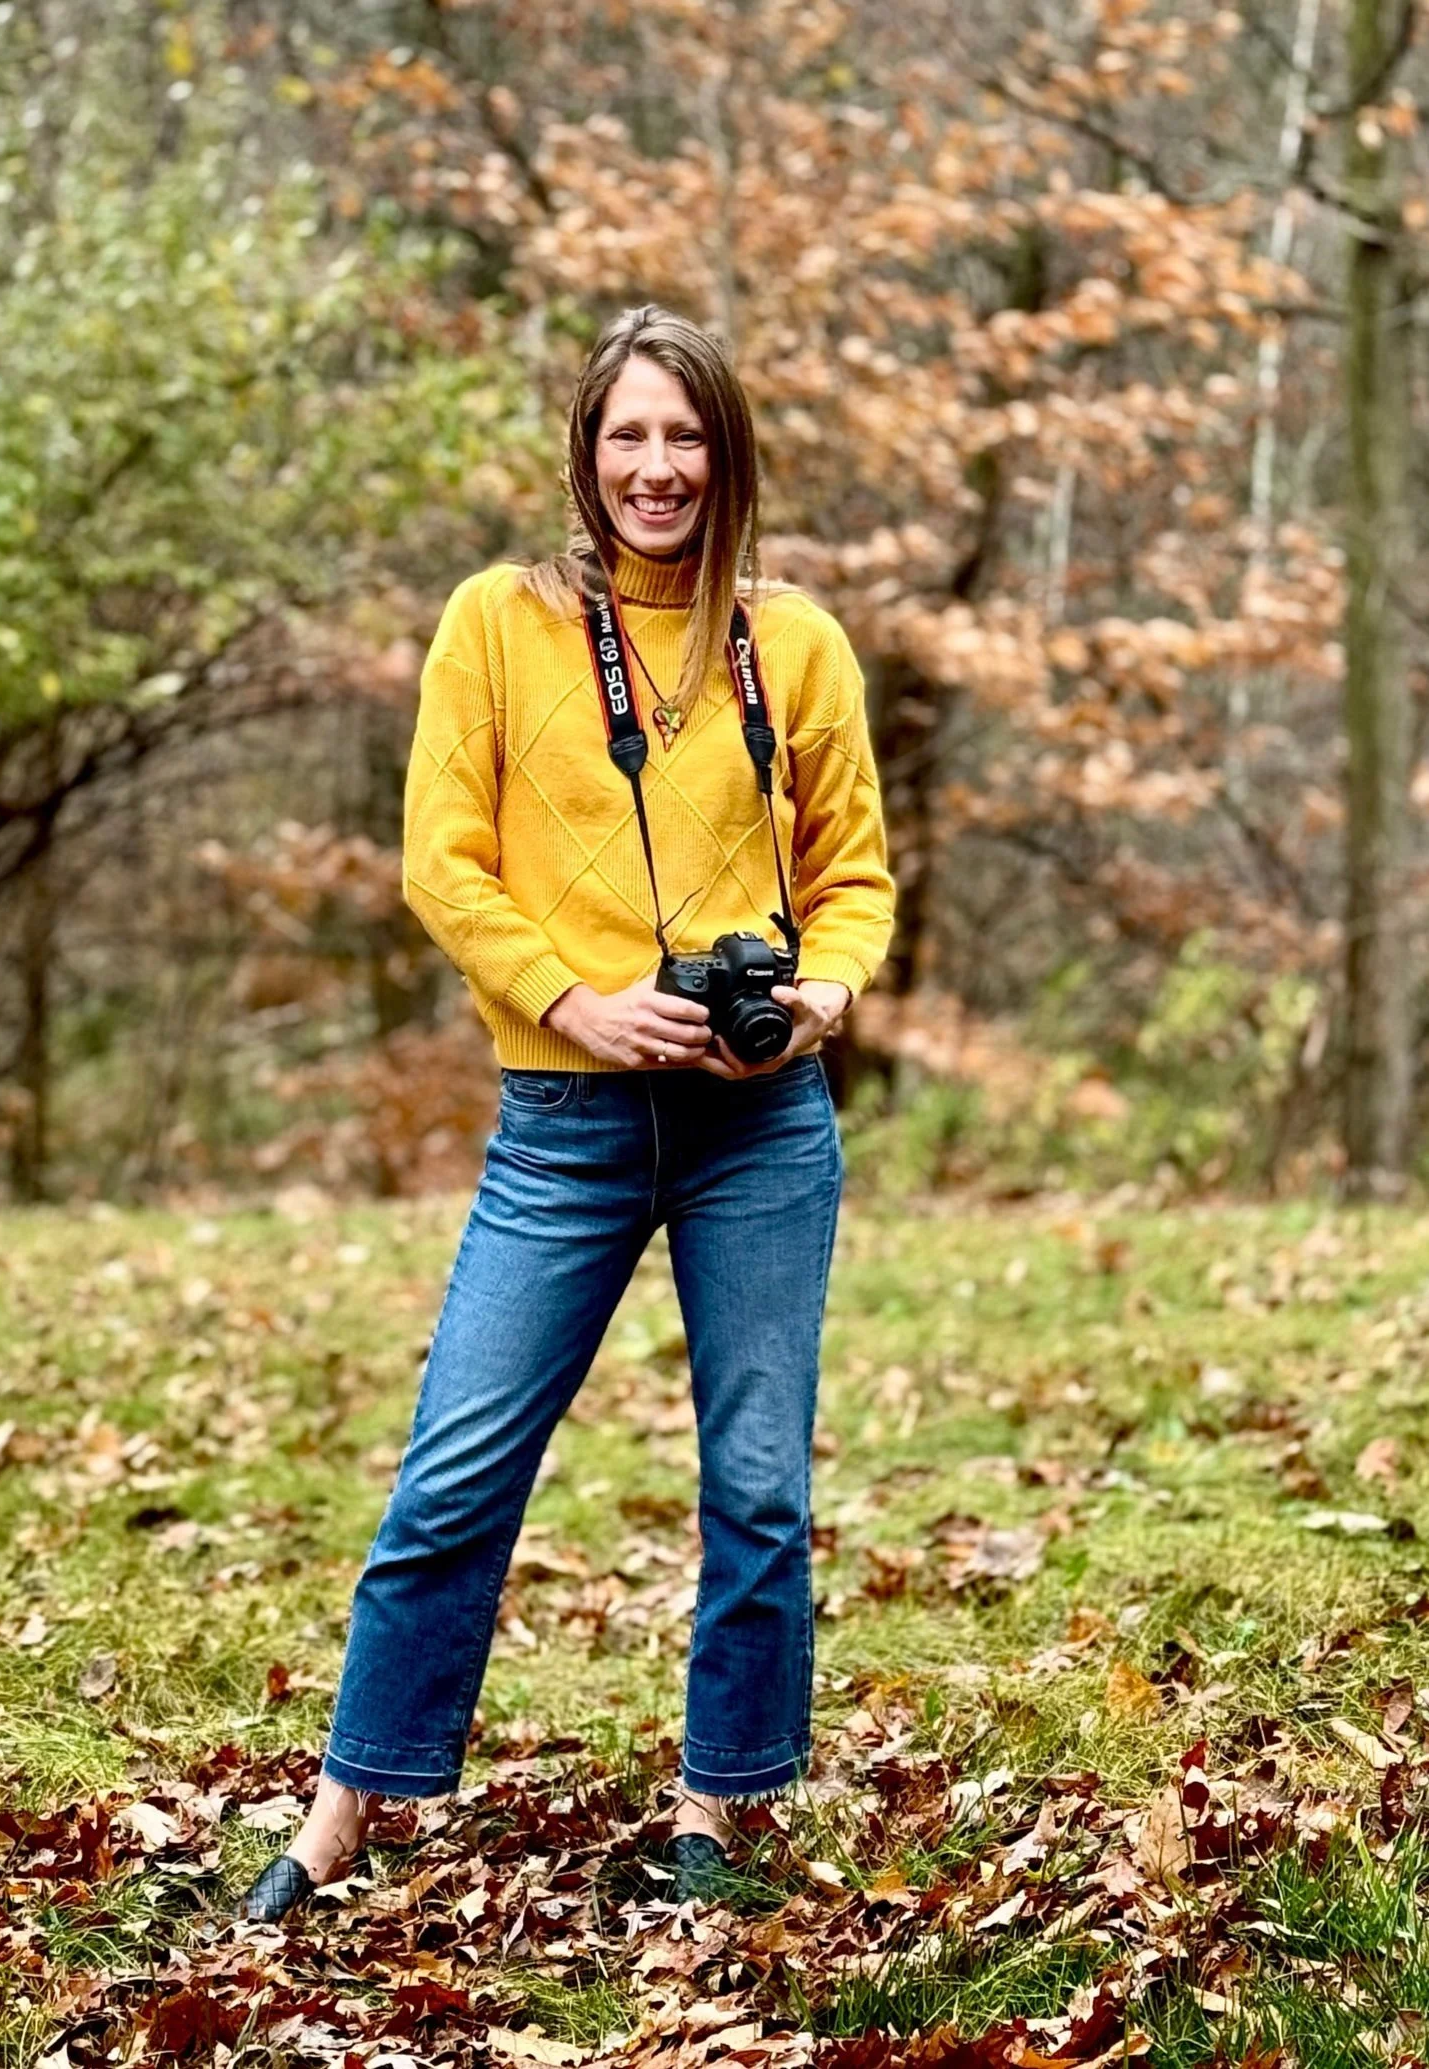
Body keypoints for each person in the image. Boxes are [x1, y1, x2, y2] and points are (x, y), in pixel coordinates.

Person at [237, 304, 895, 1923]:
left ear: (724, 456)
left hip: (759, 1128)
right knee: (453, 1473)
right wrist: (576, 1000)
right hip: (564, 1120)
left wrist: (818, 997)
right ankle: (343, 1811)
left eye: (685, 439)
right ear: (584, 455)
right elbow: (441, 863)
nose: (655, 469)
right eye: (627, 438)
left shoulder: (792, 641)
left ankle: (721, 1811)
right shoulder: (497, 623)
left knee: (757, 1485)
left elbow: (855, 883)